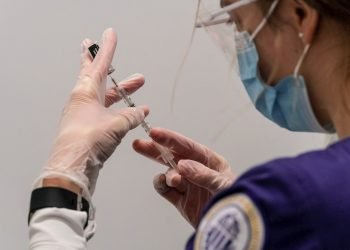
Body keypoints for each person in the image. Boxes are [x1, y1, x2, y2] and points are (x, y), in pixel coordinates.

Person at [28, 0, 350, 249]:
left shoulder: (289, 202)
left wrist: (62, 187)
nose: (242, 47)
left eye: (239, 24)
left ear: (299, 15)